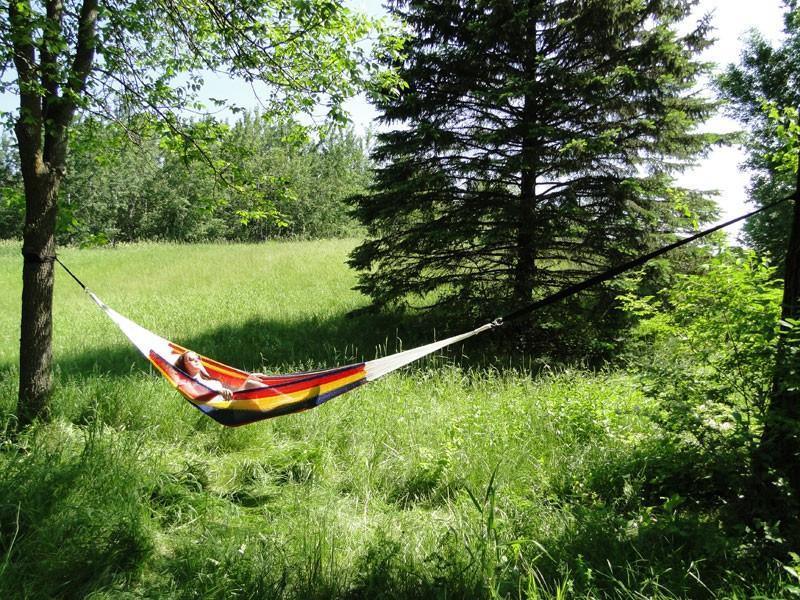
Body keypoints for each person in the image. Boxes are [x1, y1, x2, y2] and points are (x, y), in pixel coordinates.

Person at [174, 351, 268, 400]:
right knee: (251, 384)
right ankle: (276, 400)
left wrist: (247, 378)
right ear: (184, 365)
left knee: (252, 381)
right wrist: (217, 391)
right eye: (191, 359)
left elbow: (234, 391)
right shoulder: (190, 383)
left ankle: (275, 398)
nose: (196, 360)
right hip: (224, 407)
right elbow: (196, 396)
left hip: (234, 399)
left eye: (197, 357)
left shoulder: (207, 379)